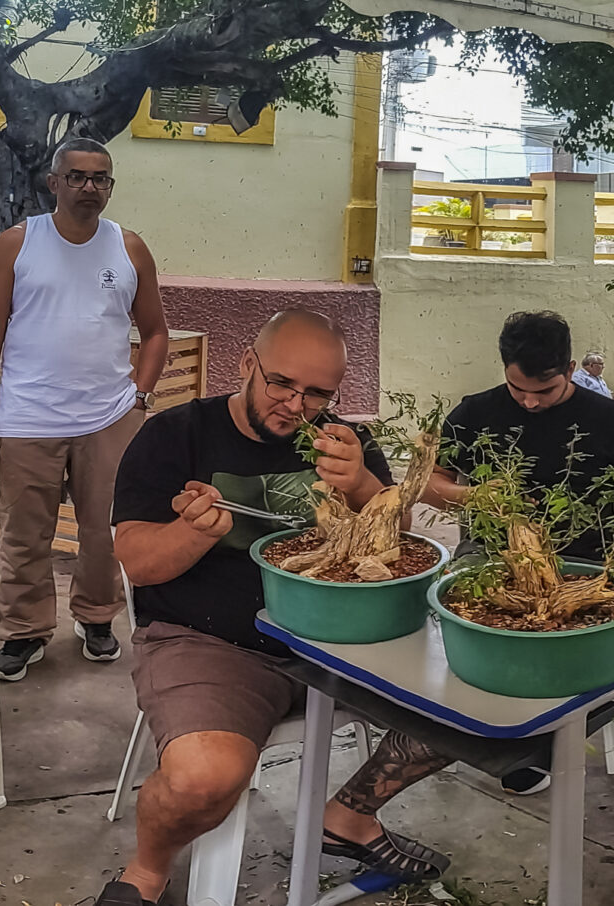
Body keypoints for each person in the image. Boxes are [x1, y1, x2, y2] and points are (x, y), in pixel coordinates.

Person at [97, 309, 450, 906]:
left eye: (317, 394)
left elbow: (400, 541)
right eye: (281, 383)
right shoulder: (176, 435)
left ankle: (348, 815)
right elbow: (139, 563)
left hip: (346, 638)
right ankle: (148, 870)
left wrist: (364, 486)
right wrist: (194, 533)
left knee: (478, 702)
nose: (295, 405)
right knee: (201, 779)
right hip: (214, 642)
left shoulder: (344, 443)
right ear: (246, 364)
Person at [423, 311, 614, 795]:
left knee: (568, 636)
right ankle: (480, 728)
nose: (530, 401)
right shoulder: (473, 414)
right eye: (518, 389)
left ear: (571, 369)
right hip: (488, 555)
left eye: (545, 391)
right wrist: (476, 496)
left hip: (582, 561)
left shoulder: (609, 419)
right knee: (470, 623)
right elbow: (429, 484)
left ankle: (537, 737)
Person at [0, 137, 169, 682]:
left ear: (111, 188)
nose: (88, 187)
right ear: (54, 182)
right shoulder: (17, 244)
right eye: (76, 176)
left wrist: (140, 397)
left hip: (110, 418)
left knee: (105, 532)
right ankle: (24, 631)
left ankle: (97, 618)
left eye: (100, 178)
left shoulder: (128, 248)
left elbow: (155, 332)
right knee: (23, 535)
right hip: (27, 419)